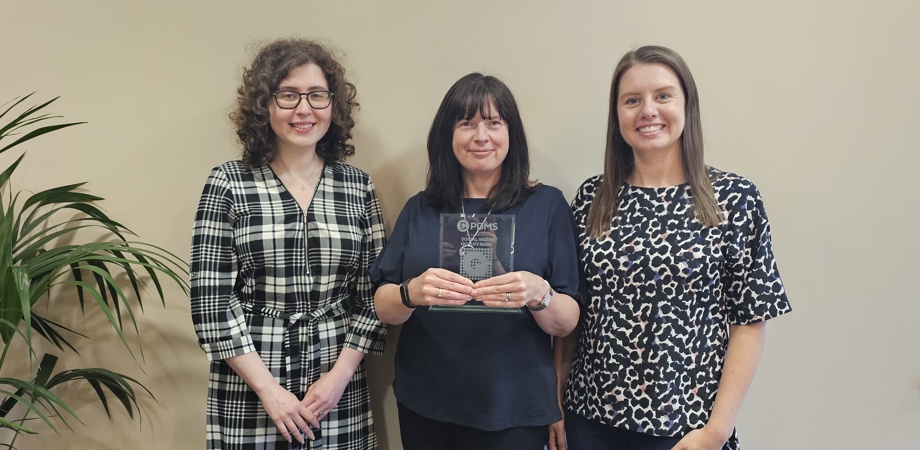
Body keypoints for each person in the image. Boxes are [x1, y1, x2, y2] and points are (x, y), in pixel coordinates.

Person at [552, 45, 792, 450]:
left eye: (663, 95)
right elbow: (573, 314)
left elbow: (750, 322)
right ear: (617, 116)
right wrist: (554, 401)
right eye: (632, 100)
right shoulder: (593, 197)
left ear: (687, 105)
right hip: (589, 420)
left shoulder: (734, 198)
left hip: (686, 428)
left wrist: (717, 431)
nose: (648, 110)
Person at [190, 38, 387, 450]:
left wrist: (339, 377)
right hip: (251, 382)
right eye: (288, 95)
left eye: (317, 96)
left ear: (334, 105)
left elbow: (373, 296)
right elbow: (210, 304)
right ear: (264, 105)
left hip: (335, 384)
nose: (304, 109)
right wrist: (269, 392)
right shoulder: (228, 183)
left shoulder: (356, 186)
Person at [369, 73, 581, 450]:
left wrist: (538, 292)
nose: (481, 136)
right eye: (466, 123)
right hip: (425, 401)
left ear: (510, 134)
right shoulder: (421, 208)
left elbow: (566, 323)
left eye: (493, 123)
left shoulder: (546, 206)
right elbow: (384, 308)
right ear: (447, 136)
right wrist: (410, 292)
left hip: (515, 406)